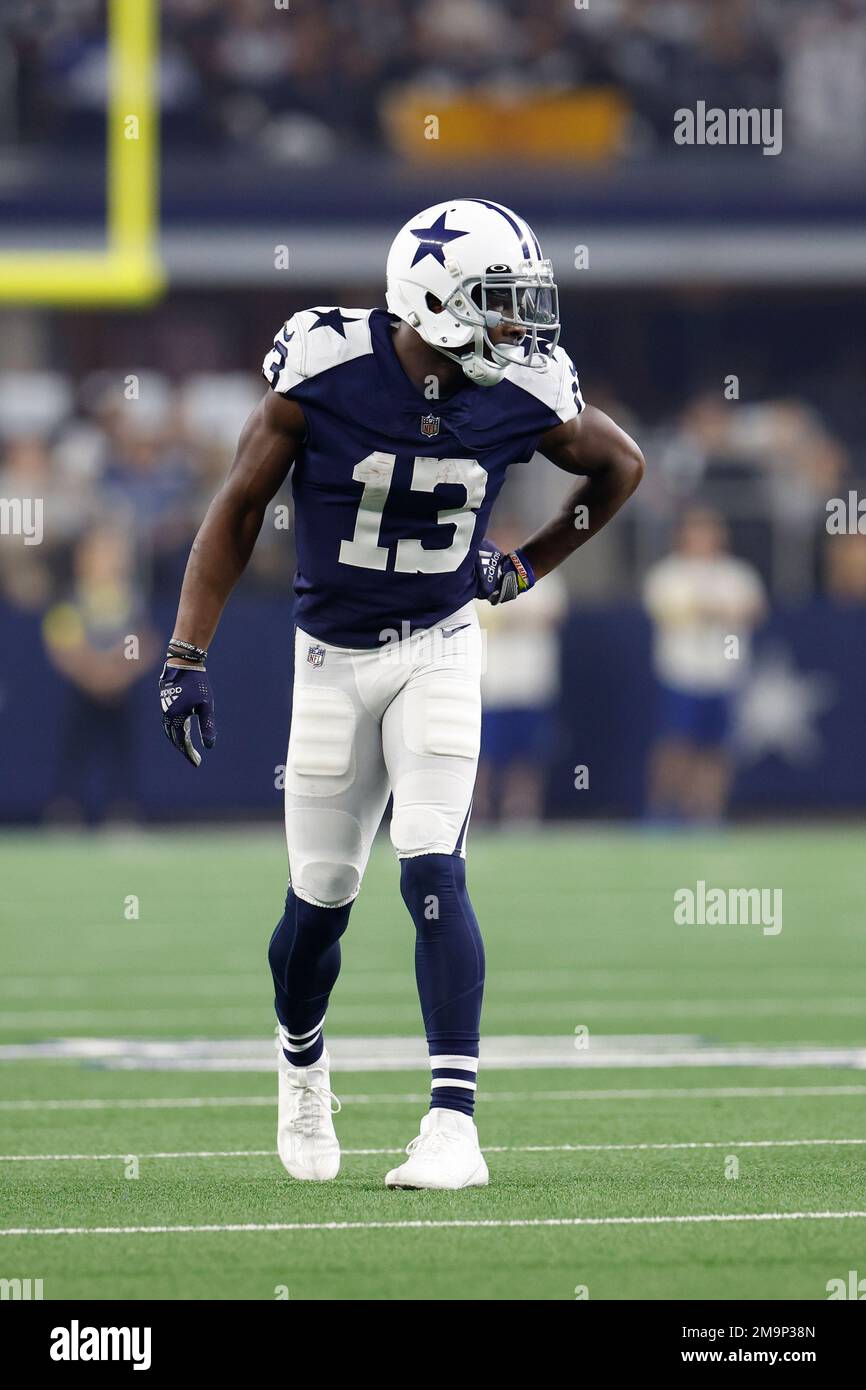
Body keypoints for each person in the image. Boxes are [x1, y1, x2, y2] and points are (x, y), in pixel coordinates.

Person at [159, 199, 643, 1190]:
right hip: (329, 661)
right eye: (497, 302)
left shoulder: (525, 387)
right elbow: (240, 506)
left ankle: (452, 1125)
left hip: (439, 646)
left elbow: (617, 465)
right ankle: (301, 1068)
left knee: (432, 867)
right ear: (431, 299)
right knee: (319, 904)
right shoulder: (326, 367)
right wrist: (183, 653)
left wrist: (529, 563)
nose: (521, 325)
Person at [643, 506, 766, 825]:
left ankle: (707, 812)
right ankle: (663, 811)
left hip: (722, 675)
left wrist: (713, 611)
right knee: (677, 744)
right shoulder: (668, 574)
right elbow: (671, 613)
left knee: (716, 749)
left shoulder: (737, 574)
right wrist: (716, 611)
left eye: (709, 530)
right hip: (682, 674)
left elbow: (753, 611)